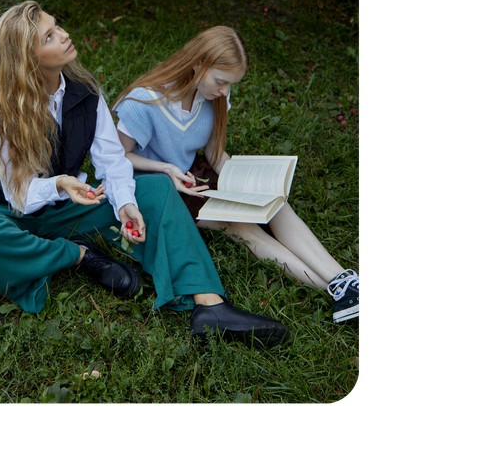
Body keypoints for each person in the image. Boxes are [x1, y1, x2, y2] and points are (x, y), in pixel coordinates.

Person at [0, 1, 290, 347]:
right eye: (50, 36)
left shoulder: (86, 95)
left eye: (58, 26)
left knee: (155, 190)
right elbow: (19, 193)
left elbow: (112, 162)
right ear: (27, 57)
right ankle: (77, 255)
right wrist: (61, 184)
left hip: (67, 204)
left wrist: (126, 204)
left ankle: (210, 306)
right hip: (7, 211)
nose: (65, 35)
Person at [112, 25, 359, 324]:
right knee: (241, 225)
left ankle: (344, 279)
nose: (224, 91)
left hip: (193, 174)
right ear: (197, 64)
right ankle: (333, 290)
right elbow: (118, 158)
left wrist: (245, 181)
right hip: (162, 187)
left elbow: (215, 154)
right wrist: (165, 167)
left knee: (274, 202)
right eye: (221, 81)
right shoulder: (144, 102)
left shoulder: (212, 97)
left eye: (231, 84)